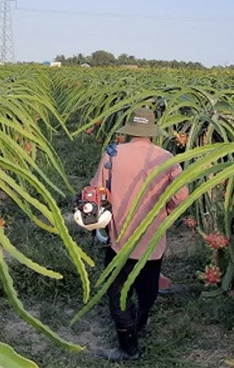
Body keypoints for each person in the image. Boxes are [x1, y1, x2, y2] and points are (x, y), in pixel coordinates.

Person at [90, 107, 189, 362]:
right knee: (147, 290)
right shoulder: (167, 158)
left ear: (130, 130)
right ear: (152, 133)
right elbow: (180, 197)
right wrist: (163, 212)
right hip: (152, 241)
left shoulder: (112, 155)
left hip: (119, 240)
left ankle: (129, 349)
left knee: (118, 295)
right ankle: (142, 324)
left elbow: (95, 191)